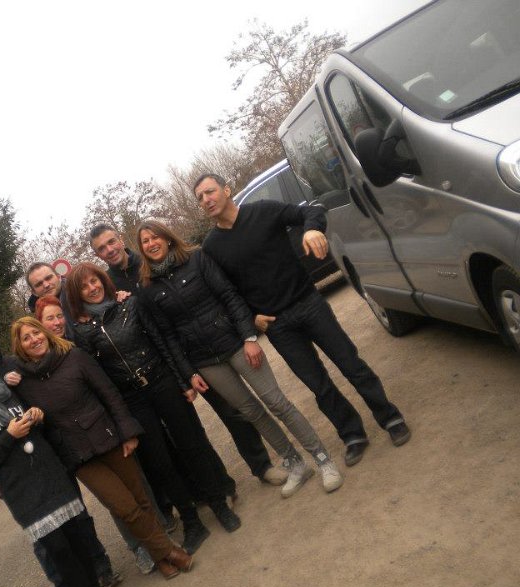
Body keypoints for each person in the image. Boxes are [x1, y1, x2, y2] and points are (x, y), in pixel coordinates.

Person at [194, 173, 411, 467]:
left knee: (351, 364)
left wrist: (311, 231)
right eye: (200, 197)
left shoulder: (264, 211)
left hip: (308, 304)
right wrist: (251, 317)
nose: (206, 200)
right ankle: (352, 434)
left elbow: (312, 211)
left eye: (209, 192)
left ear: (226, 190)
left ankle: (390, 417)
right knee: (318, 385)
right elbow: (226, 292)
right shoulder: (212, 247)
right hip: (278, 325)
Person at [136, 220, 344, 498]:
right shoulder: (148, 288)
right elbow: (168, 336)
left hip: (235, 343)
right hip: (205, 361)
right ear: (141, 249)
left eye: (155, 237)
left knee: (277, 402)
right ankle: (295, 463)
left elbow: (229, 295)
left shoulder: (197, 258)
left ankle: (323, 460)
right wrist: (189, 373)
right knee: (251, 412)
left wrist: (249, 337)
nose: (151, 244)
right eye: (145, 241)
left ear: (167, 238)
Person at [89, 223, 288, 488]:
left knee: (233, 410)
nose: (109, 250)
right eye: (101, 248)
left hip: (196, 347)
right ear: (98, 254)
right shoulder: (107, 284)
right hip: (161, 365)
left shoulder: (149, 260)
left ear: (120, 239)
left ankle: (262, 466)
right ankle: (217, 485)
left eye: (111, 242)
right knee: (189, 431)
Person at [66, 261, 238, 543]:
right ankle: (191, 522)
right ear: (77, 295)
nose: (92, 288)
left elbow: (161, 342)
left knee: (192, 444)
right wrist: (120, 418)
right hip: (132, 398)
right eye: (84, 287)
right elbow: (98, 377)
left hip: (162, 381)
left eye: (94, 281)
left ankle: (219, 504)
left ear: (102, 281)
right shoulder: (82, 331)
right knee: (161, 461)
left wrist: (182, 381)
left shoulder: (130, 304)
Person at [10, 317, 194, 580]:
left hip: (108, 437)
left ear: (45, 334)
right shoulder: (22, 383)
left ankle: (159, 556)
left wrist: (127, 432)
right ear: (20, 347)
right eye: (26, 338)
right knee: (124, 507)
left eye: (35, 333)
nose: (33, 340)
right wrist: (35, 417)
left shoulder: (74, 356)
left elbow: (109, 394)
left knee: (141, 498)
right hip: (78, 455)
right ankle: (168, 551)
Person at [0, 318, 122, 587]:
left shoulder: (15, 363)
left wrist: (37, 413)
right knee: (51, 545)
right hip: (21, 482)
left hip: (50, 460)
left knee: (77, 523)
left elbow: (42, 395)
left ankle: (99, 569)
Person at [32, 299, 159, 575]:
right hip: (79, 447)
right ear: (38, 324)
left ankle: (158, 539)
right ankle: (139, 547)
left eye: (59, 316)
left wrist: (125, 429)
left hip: (107, 430)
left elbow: (106, 390)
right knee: (116, 499)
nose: (56, 322)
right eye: (49, 319)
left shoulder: (76, 345)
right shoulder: (31, 366)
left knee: (137, 486)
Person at [26, 262, 74, 339]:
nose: (46, 285)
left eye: (48, 278)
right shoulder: (37, 318)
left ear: (58, 276)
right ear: (34, 292)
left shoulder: (78, 291)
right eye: (39, 284)